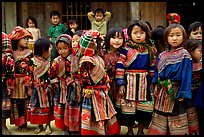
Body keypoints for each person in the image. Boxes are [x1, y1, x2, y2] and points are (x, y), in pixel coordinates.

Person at [148, 23, 193, 135]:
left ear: (183, 37)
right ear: (166, 38)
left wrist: (183, 92)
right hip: (162, 92)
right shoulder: (162, 55)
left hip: (176, 92)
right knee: (160, 115)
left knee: (175, 116)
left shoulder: (185, 55)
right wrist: (154, 86)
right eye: (171, 35)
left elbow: (186, 75)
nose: (174, 38)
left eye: (178, 35)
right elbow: (157, 72)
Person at [115, 20, 157, 135]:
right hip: (129, 82)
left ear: (146, 34)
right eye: (135, 33)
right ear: (129, 34)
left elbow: (153, 66)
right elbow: (120, 66)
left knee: (144, 108)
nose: (138, 36)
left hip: (144, 82)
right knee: (128, 108)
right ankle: (129, 130)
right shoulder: (126, 49)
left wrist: (153, 83)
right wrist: (121, 83)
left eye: (142, 33)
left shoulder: (150, 49)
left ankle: (140, 130)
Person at [78, 30, 120, 135]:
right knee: (95, 114)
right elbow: (84, 76)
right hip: (92, 93)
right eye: (97, 43)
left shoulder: (98, 57)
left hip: (102, 90)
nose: (100, 45)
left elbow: (103, 71)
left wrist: (106, 81)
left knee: (105, 113)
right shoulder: (86, 60)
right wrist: (87, 88)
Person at [50, 34, 80, 135]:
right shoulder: (56, 61)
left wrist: (74, 82)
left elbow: (78, 73)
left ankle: (74, 128)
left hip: (73, 88)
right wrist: (56, 84)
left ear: (70, 47)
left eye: (65, 48)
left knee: (72, 108)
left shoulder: (75, 59)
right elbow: (52, 75)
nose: (62, 51)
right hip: (61, 88)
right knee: (62, 108)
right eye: (59, 49)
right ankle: (64, 128)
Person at [8, 26, 33, 132]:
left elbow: (31, 70)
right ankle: (19, 123)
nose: (27, 41)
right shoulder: (12, 54)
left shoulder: (29, 53)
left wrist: (29, 85)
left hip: (25, 82)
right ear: (17, 40)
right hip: (15, 83)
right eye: (24, 38)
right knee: (16, 103)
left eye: (28, 39)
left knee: (24, 103)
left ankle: (24, 123)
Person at [26, 37, 53, 135]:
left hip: (46, 90)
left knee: (47, 107)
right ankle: (39, 125)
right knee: (37, 107)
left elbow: (51, 75)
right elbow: (28, 75)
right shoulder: (32, 62)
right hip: (36, 90)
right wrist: (29, 87)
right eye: (49, 49)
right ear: (43, 50)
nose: (50, 51)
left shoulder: (49, 63)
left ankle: (48, 125)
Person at [184, 39, 202, 135]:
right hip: (188, 94)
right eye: (199, 51)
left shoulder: (201, 64)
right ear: (191, 51)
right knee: (190, 114)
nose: (201, 54)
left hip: (198, 94)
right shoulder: (185, 65)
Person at [2, 32, 15, 135]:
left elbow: (10, 72)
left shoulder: (6, 58)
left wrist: (9, 85)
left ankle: (3, 126)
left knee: (4, 106)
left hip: (3, 84)